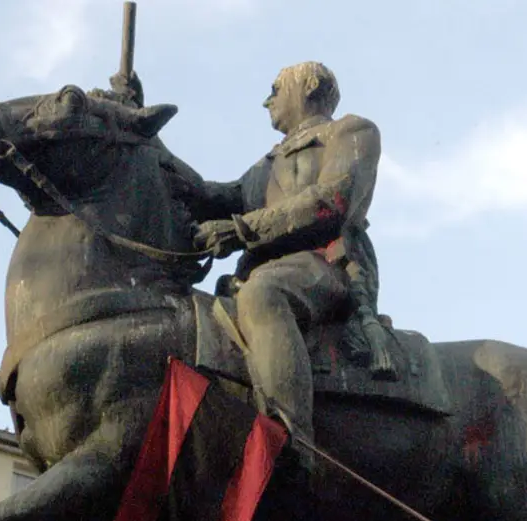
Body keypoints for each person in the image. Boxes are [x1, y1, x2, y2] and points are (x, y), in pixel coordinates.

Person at [113, 62, 389, 479]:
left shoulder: (351, 131)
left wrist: (241, 229)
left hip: (326, 266)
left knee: (263, 294)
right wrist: (141, 126)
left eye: (276, 89)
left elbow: (332, 200)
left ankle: (291, 442)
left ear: (310, 87)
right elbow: (205, 195)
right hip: (267, 270)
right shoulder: (265, 166)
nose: (267, 100)